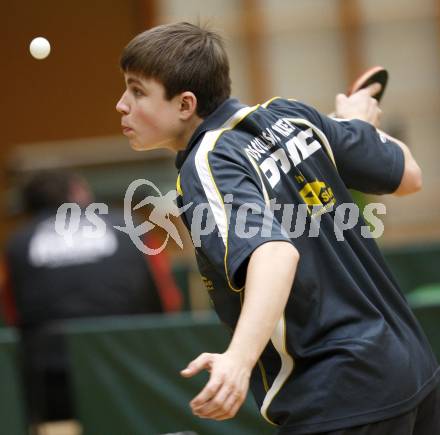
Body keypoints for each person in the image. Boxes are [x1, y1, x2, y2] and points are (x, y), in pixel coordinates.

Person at [115, 22, 439, 434]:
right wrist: (361, 127)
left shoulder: (209, 163)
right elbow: (410, 175)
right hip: (413, 372)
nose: (122, 105)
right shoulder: (292, 116)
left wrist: (238, 360)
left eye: (136, 90)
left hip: (341, 394)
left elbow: (275, 253)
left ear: (185, 104)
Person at [0, 169, 182, 423]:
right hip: (133, 370)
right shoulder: (131, 225)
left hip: (51, 385)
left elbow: (12, 316)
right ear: (77, 191)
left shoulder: (16, 244)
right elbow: (168, 300)